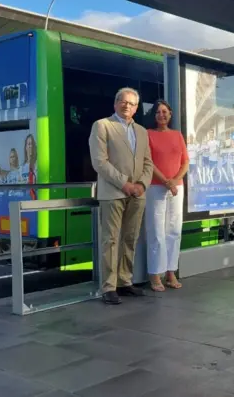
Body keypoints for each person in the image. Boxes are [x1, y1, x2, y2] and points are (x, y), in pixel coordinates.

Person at [89, 87, 153, 305]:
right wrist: (124, 184)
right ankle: (108, 286)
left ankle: (125, 281)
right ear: (115, 103)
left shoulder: (142, 131)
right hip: (113, 192)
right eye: (123, 102)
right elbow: (99, 162)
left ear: (136, 108)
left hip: (137, 194)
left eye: (132, 103)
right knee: (111, 240)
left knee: (130, 238)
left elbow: (148, 163)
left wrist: (142, 185)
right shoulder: (102, 125)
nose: (127, 106)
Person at [145, 100, 189, 292]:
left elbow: (185, 162)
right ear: (154, 116)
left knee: (174, 230)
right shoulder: (148, 134)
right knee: (156, 231)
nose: (161, 115)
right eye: (158, 112)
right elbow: (148, 162)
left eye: (165, 111)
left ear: (170, 114)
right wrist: (165, 181)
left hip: (176, 188)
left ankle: (171, 272)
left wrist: (174, 181)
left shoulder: (177, 135)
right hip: (155, 187)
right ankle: (155, 274)